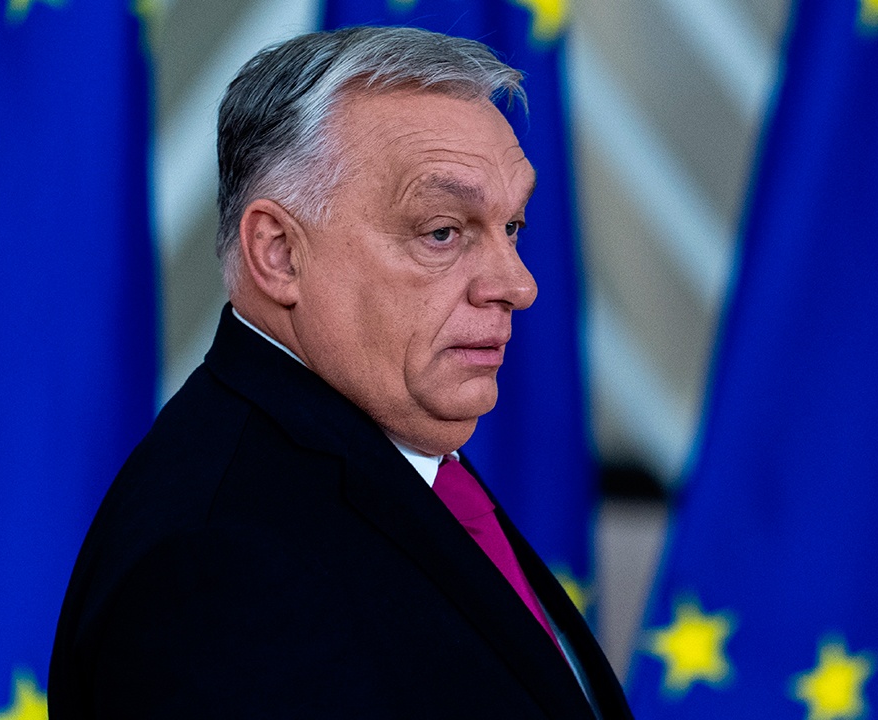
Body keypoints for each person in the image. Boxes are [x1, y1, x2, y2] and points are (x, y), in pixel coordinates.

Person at [49, 25, 632, 719]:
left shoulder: (385, 451)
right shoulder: (220, 561)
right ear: (279, 254)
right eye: (442, 231)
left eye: (512, 228)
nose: (518, 285)